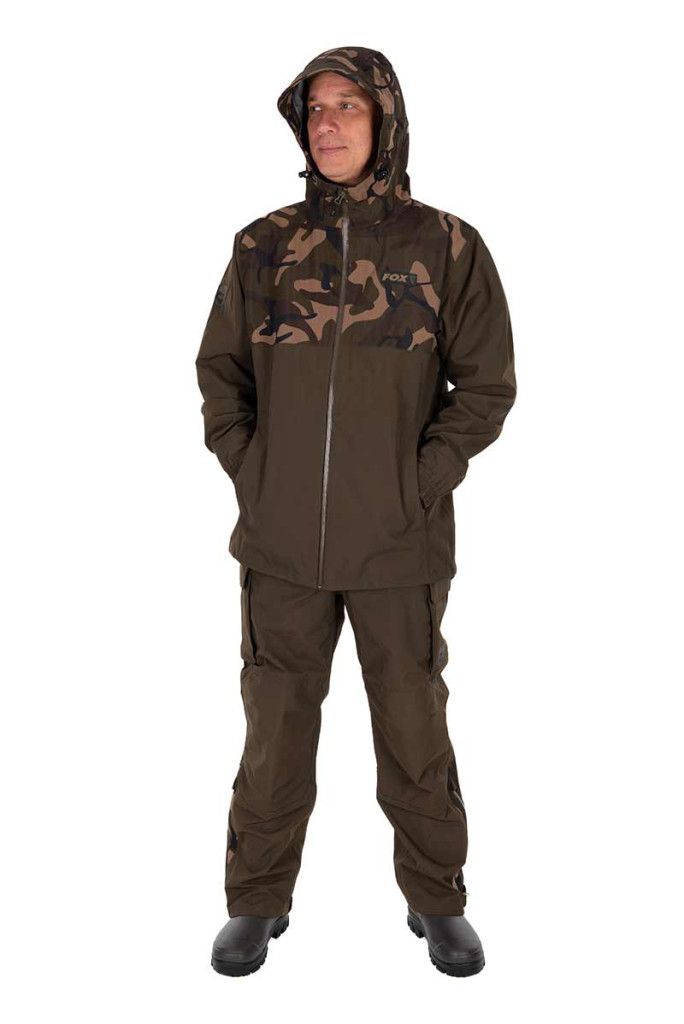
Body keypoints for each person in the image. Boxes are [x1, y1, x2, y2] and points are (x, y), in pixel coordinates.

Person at [195, 45, 516, 978]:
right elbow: (220, 376)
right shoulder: (261, 246)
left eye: (348, 105)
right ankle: (257, 900)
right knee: (275, 734)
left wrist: (420, 481)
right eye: (315, 108)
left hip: (398, 546)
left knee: (414, 730)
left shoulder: (446, 246)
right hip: (281, 545)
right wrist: (257, 472)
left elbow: (486, 387)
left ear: (385, 121)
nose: (328, 122)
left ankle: (436, 897)